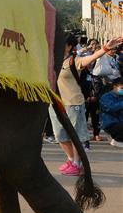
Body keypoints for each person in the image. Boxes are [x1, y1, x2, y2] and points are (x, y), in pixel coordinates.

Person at [49, 35, 123, 175]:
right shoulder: (52, 61)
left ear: (69, 46)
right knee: (59, 135)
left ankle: (77, 163)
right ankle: (71, 160)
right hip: (56, 102)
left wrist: (105, 48)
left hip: (73, 103)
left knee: (76, 136)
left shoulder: (74, 61)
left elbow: (92, 57)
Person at [99, 77, 123, 147]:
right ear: (115, 87)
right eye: (122, 88)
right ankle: (116, 140)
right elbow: (111, 108)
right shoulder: (106, 97)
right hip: (110, 124)